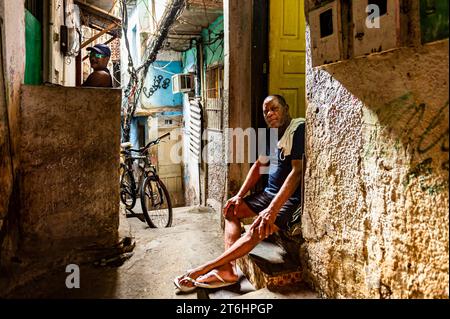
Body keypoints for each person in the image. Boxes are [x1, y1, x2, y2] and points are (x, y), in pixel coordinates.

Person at [174, 95, 305, 291]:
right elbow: (258, 166)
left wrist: (271, 210)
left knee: (256, 229)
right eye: (266, 111)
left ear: (286, 108)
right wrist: (239, 196)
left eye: (274, 108)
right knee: (231, 210)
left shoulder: (298, 129)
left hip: (288, 199)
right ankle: (228, 270)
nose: (269, 113)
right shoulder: (271, 134)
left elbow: (297, 173)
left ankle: (202, 269)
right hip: (268, 193)